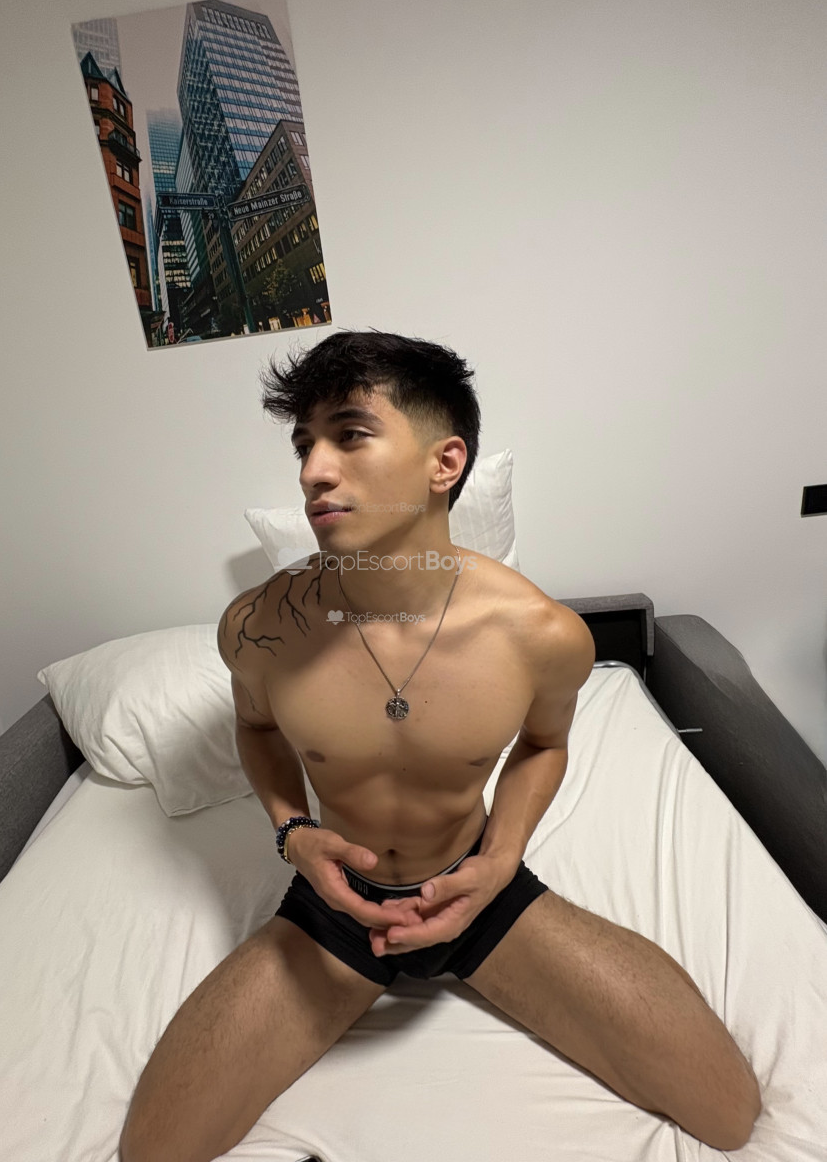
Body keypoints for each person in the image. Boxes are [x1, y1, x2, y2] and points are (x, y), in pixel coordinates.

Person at [120, 330, 761, 1162]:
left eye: (350, 434)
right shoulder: (259, 628)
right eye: (304, 444)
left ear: (444, 462)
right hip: (337, 908)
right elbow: (256, 728)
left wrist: (501, 859)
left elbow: (544, 745)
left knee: (728, 1109)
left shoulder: (539, 635)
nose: (313, 471)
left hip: (472, 889)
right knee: (153, 1150)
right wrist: (292, 832)